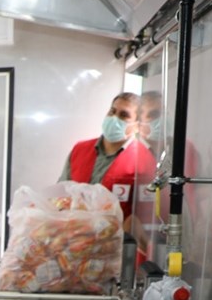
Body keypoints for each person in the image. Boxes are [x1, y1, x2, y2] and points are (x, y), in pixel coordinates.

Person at [58, 91, 156, 224]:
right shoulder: (80, 150)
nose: (114, 118)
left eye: (123, 115)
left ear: (137, 126)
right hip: (75, 234)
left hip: (114, 239)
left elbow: (146, 214)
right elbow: (61, 193)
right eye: (112, 111)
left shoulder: (144, 160)